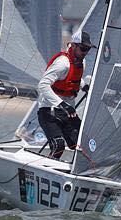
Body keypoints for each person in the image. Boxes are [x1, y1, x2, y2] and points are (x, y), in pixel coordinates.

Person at [37, 31, 94, 159]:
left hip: (67, 112)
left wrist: (84, 86)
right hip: (49, 110)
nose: (85, 53)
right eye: (83, 48)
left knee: (82, 143)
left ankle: (84, 172)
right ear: (73, 46)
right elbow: (43, 85)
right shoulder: (62, 63)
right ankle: (47, 172)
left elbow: (72, 79)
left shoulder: (81, 62)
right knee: (59, 146)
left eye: (88, 49)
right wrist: (61, 104)